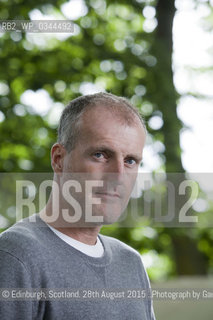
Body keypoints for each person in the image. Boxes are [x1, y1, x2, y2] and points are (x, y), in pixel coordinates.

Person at [0, 92, 156, 319]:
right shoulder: (16, 256)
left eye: (130, 160)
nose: (118, 176)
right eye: (101, 155)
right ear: (59, 159)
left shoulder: (131, 263)